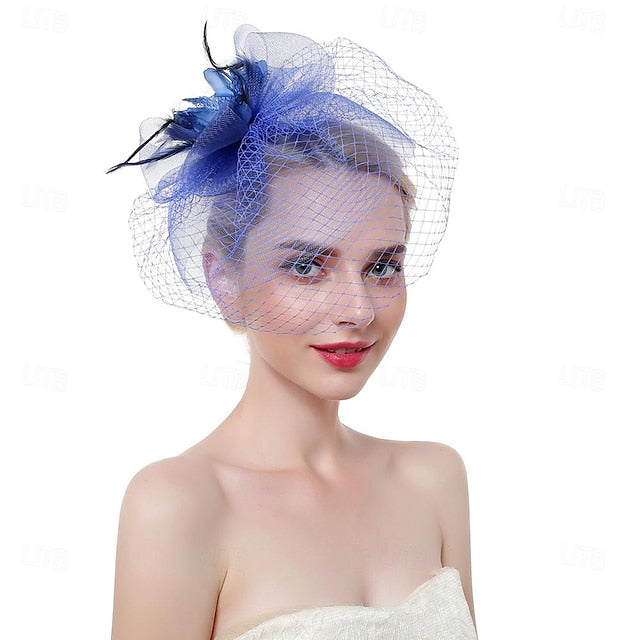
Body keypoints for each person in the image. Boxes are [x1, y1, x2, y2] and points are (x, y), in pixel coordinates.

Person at [108, 24, 477, 640]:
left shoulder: (434, 479)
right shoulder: (179, 506)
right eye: (307, 267)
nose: (358, 308)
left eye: (383, 265)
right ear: (224, 279)